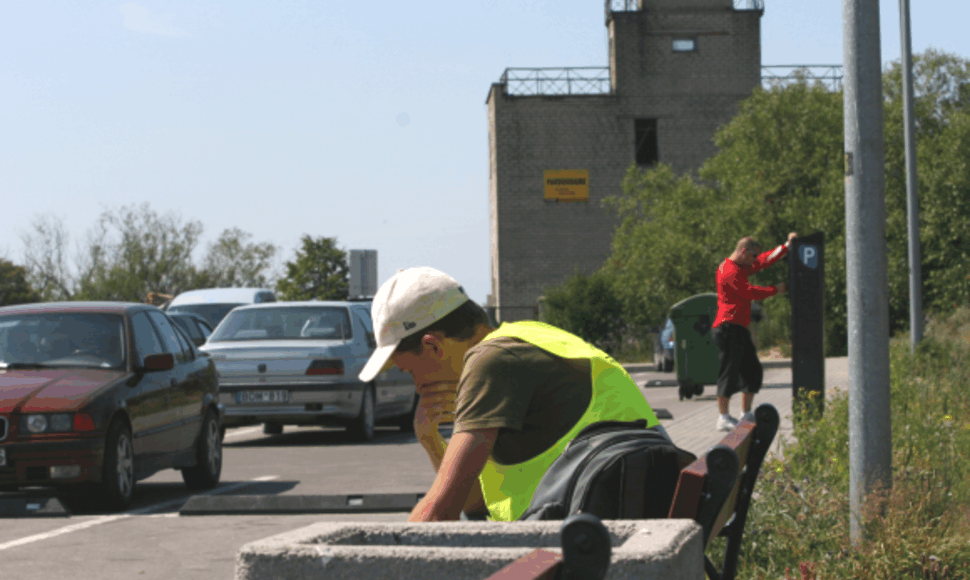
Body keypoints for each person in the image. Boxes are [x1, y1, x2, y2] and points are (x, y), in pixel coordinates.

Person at [358, 267, 659, 522]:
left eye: (410, 371)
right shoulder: (526, 335)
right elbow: (475, 506)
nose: (417, 387)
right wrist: (430, 438)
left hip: (575, 554)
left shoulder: (490, 361)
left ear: (433, 345)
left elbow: (439, 513)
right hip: (612, 539)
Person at [711, 233, 797, 431]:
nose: (754, 261)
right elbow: (749, 292)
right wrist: (777, 289)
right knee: (728, 373)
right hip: (727, 327)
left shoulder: (741, 266)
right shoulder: (728, 270)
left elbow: (764, 260)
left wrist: (785, 246)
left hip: (739, 328)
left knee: (752, 371)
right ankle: (723, 417)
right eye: (752, 256)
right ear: (743, 252)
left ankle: (745, 414)